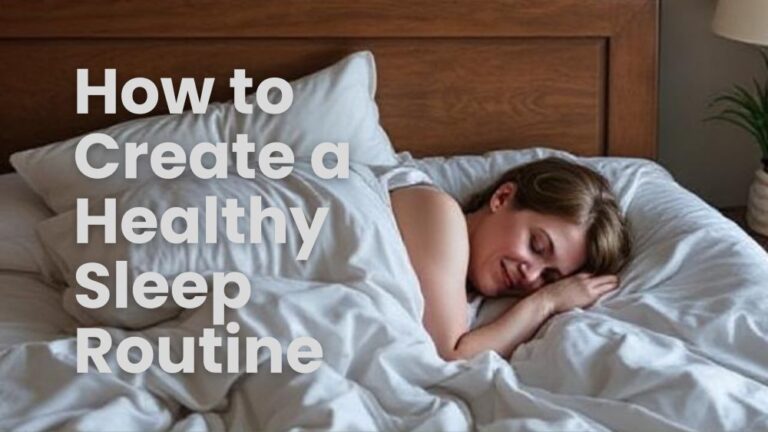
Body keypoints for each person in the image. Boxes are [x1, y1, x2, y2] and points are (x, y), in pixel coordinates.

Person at [388, 157, 632, 361]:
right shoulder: (440, 212)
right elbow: (451, 356)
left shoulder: (467, 296)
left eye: (549, 278)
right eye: (536, 246)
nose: (531, 275)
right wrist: (545, 302)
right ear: (502, 198)